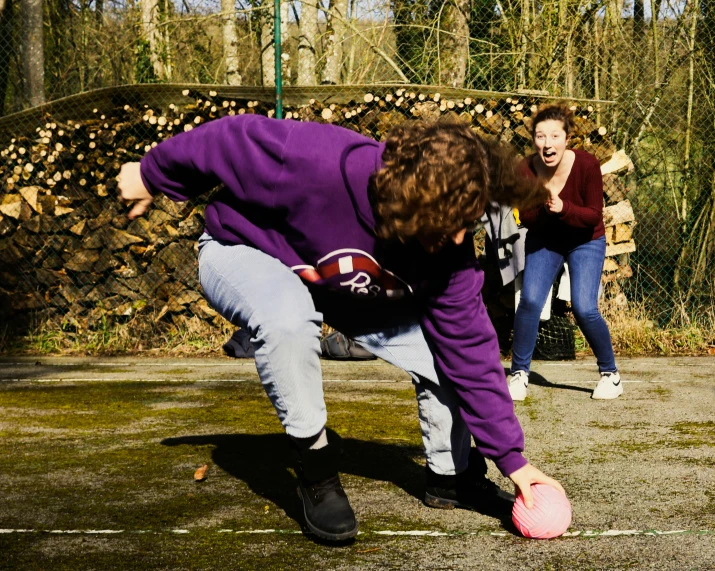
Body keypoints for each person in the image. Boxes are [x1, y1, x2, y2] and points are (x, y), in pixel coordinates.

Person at [117, 115, 564, 542]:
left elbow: (471, 349)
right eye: (450, 227)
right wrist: (152, 175)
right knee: (288, 319)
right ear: (410, 201)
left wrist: (514, 461)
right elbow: (225, 140)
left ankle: (453, 475)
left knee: (443, 357)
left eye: (467, 225)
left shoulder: (448, 249)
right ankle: (316, 469)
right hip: (245, 250)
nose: (460, 240)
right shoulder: (314, 161)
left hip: (344, 287)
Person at [508, 104, 623, 402]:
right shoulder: (525, 169)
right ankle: (519, 374)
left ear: (567, 137)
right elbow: (526, 219)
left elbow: (593, 215)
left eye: (554, 136)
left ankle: (610, 375)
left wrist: (563, 208)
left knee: (584, 308)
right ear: (534, 139)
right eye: (540, 136)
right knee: (531, 300)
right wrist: (541, 205)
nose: (547, 143)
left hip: (586, 239)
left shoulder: (586, 164)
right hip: (545, 239)